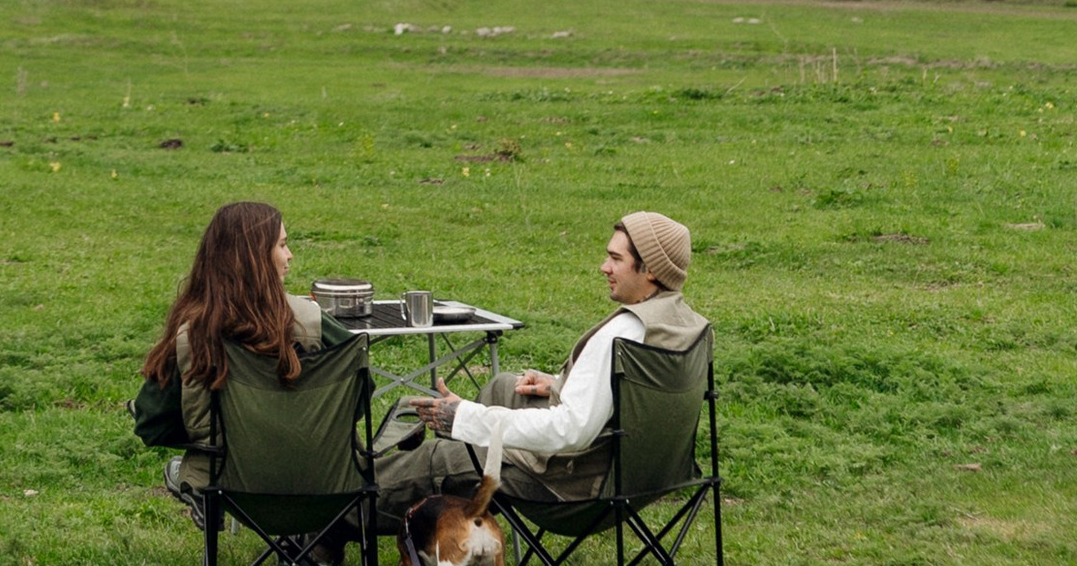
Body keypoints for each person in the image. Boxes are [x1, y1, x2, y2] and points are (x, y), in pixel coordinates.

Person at [380, 211, 706, 507]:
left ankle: (342, 513)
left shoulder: (620, 334)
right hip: (642, 476)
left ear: (649, 269)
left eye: (615, 259)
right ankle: (450, 521)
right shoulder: (684, 325)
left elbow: (571, 430)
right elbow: (638, 398)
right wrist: (563, 384)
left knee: (439, 459)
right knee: (503, 388)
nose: (604, 267)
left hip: (575, 486)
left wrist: (467, 417)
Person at [140, 199, 319, 493]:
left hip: (229, 483)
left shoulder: (194, 333)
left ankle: (195, 487)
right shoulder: (313, 322)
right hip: (318, 477)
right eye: (282, 245)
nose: (290, 255)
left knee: (189, 463)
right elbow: (361, 392)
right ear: (256, 258)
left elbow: (151, 422)